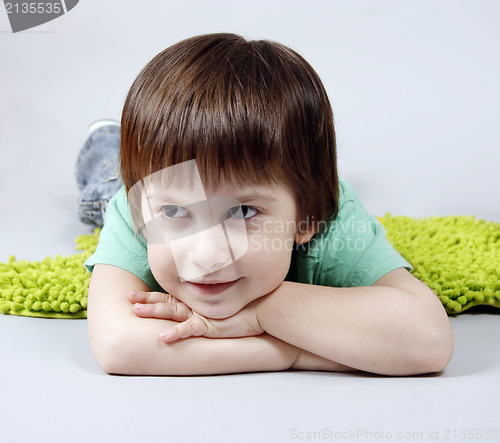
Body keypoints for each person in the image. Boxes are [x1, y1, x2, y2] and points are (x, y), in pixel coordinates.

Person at [78, 33, 454, 376]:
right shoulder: (140, 206)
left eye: (242, 212)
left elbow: (428, 341)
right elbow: (118, 345)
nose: (207, 255)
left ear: (308, 217)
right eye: (176, 213)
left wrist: (265, 311)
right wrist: (288, 352)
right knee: (102, 187)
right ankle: (107, 146)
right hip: (119, 181)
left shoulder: (332, 222)